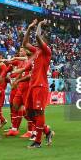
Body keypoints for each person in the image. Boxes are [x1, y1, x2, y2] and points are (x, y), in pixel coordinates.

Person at [22, 19, 54, 148]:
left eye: (41, 40)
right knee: (28, 113)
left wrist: (39, 25)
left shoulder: (47, 52)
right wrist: (29, 28)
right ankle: (47, 131)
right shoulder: (36, 52)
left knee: (39, 112)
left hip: (40, 86)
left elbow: (37, 36)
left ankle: (38, 141)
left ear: (45, 42)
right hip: (32, 85)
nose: (37, 41)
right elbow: (25, 43)